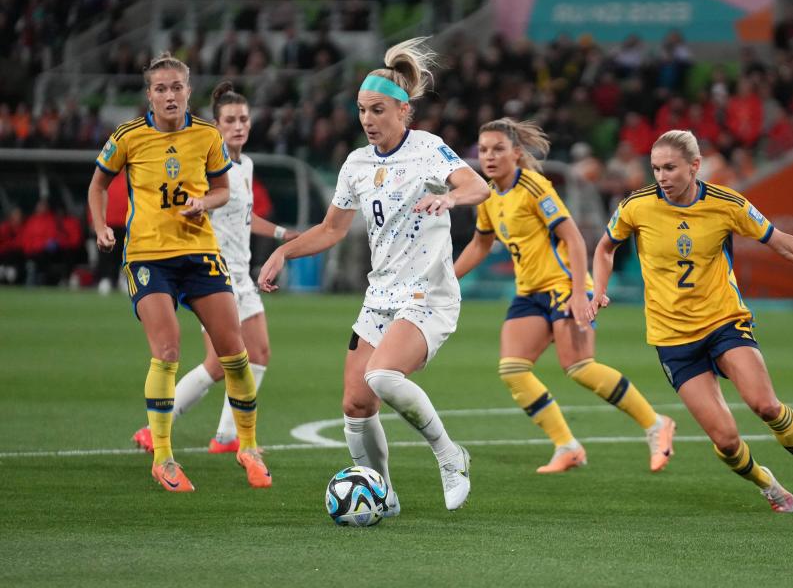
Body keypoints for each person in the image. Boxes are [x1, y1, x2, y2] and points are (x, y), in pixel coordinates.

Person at [258, 38, 490, 513]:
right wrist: (285, 251)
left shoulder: (429, 149)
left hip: (428, 293)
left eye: (377, 110)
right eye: (362, 110)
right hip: (380, 296)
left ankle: (450, 456)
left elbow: (477, 185)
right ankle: (382, 496)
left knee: (383, 375)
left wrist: (449, 197)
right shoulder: (357, 164)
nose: (367, 119)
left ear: (403, 111)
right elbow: (331, 229)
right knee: (356, 406)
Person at [592, 130, 793, 513]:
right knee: (726, 441)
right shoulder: (636, 206)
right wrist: (597, 289)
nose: (661, 176)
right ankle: (768, 484)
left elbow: (783, 242)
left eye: (670, 168)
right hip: (672, 337)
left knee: (766, 406)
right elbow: (606, 247)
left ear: (695, 166)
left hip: (724, 321)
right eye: (656, 168)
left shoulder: (727, 204)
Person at [88, 52, 271, 492]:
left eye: (177, 87)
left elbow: (224, 188)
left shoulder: (208, 136)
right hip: (148, 256)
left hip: (200, 253)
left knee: (235, 352)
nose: (170, 95)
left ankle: (247, 446)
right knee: (168, 350)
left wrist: (203, 202)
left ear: (188, 91)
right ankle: (164, 458)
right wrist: (100, 227)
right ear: (149, 94)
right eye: (161, 88)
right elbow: (97, 184)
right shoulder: (129, 136)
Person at [453, 118, 676, 474]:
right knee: (513, 370)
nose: (489, 157)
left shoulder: (535, 186)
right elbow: (481, 244)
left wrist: (577, 292)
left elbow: (572, 237)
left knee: (579, 367)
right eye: (483, 150)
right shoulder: (487, 195)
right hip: (529, 292)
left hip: (563, 286)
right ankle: (567, 446)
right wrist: (447, 278)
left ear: (516, 153)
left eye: (497, 149)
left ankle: (656, 424)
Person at [131, 81, 298, 455]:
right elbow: (197, 200)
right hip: (214, 273)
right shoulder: (206, 164)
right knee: (219, 362)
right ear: (216, 126)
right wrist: (199, 205)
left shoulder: (246, 164)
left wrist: (283, 233)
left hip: (243, 273)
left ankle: (226, 438)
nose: (238, 126)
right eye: (230, 120)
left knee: (260, 354)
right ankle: (155, 427)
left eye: (243, 119)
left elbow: (245, 215)